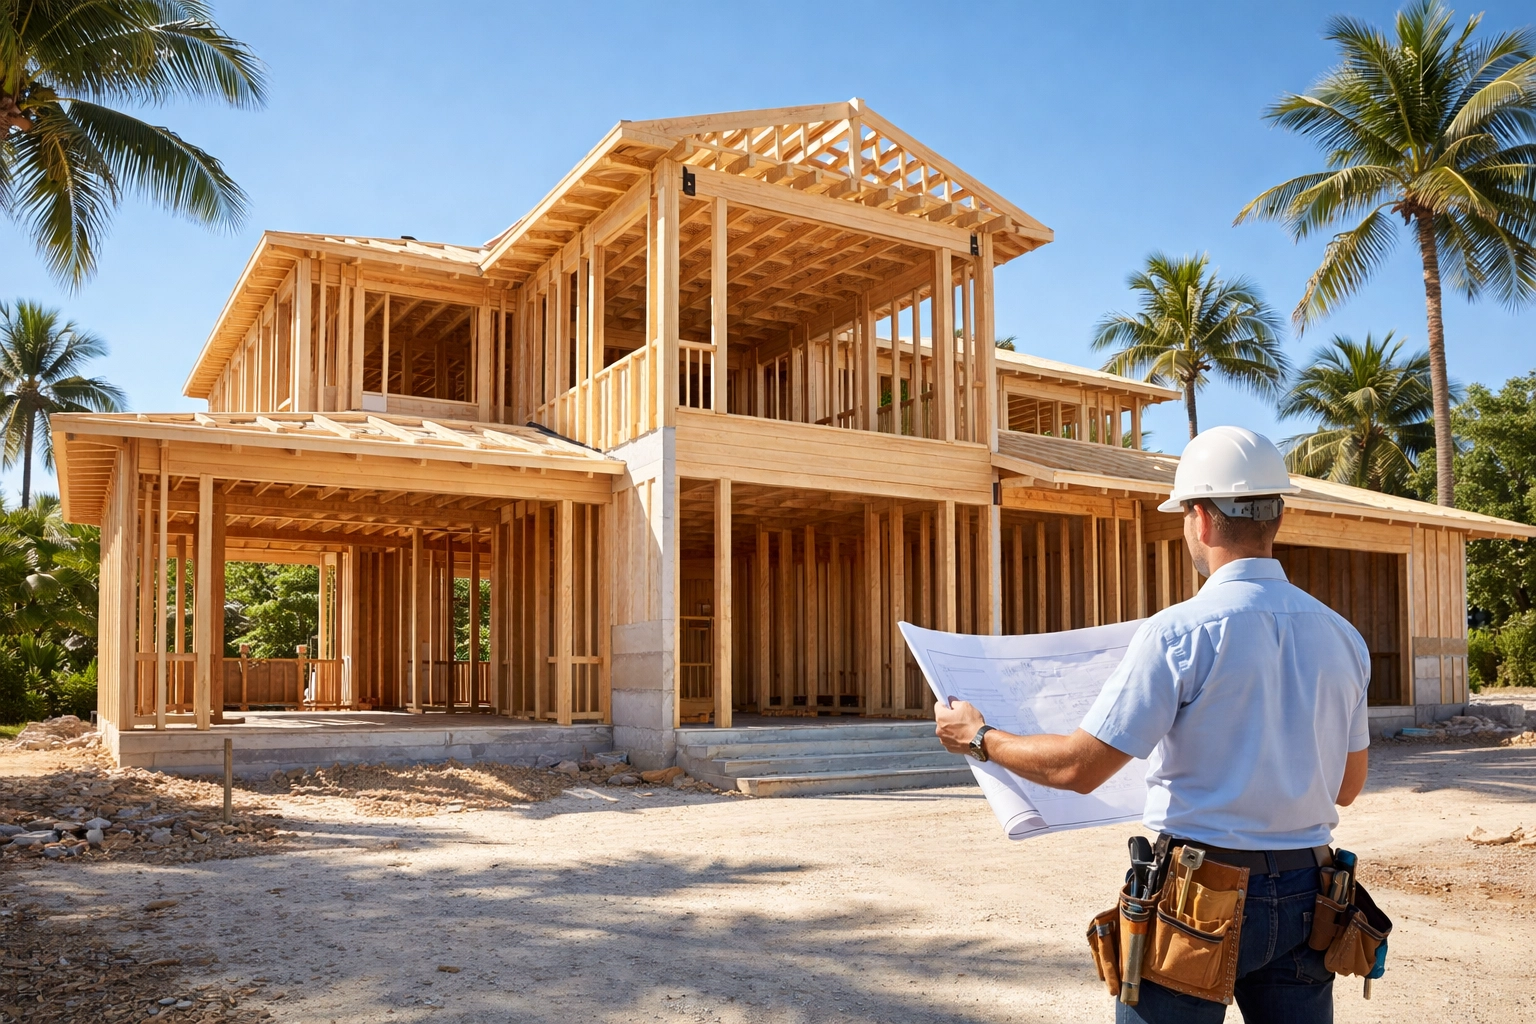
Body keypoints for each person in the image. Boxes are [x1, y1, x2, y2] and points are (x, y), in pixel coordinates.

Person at [935, 426, 1371, 1024]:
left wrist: (980, 738)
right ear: (1277, 514)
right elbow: (1347, 787)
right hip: (1308, 889)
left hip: (1196, 893)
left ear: (1200, 518)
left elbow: (1076, 768)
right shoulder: (1342, 637)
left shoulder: (1180, 633)